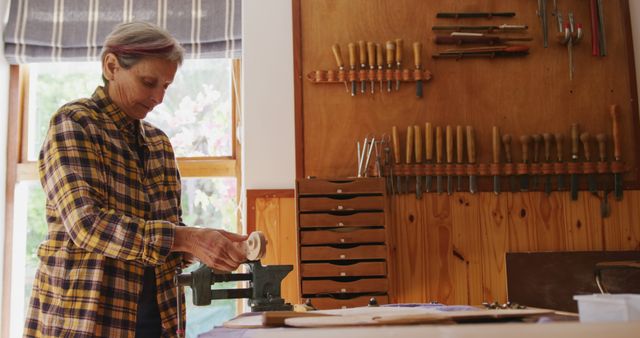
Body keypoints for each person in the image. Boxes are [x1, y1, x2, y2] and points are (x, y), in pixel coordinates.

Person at [24, 21, 248, 337]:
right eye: (148, 82)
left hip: (159, 321)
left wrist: (207, 244)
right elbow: (87, 226)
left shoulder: (158, 143)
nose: (158, 97)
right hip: (84, 321)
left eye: (166, 86)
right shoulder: (75, 123)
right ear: (111, 65)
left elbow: (167, 236)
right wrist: (188, 238)